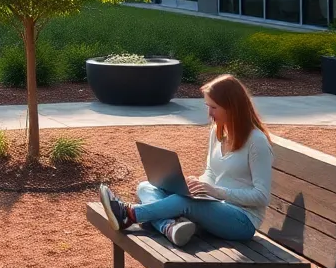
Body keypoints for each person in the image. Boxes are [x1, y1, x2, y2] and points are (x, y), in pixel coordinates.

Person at [98, 74, 274, 246]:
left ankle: (129, 214)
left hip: (242, 221)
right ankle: (169, 227)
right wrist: (196, 184)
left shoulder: (256, 142)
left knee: (184, 202)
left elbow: (261, 196)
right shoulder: (218, 131)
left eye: (214, 108)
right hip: (213, 206)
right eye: (208, 106)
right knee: (146, 187)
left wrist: (215, 191)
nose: (210, 113)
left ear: (232, 107)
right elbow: (211, 172)